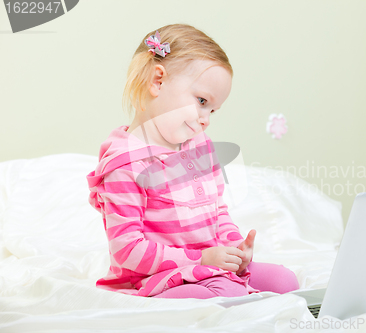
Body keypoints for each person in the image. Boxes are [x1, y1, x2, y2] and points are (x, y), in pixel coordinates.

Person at [86, 24, 299, 299]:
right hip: (156, 279)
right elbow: (127, 249)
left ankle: (226, 287)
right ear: (157, 81)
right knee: (223, 294)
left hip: (207, 267)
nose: (206, 118)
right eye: (201, 101)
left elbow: (216, 211)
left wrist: (234, 247)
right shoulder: (126, 164)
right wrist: (201, 260)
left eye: (213, 110)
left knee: (286, 282)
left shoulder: (199, 147)